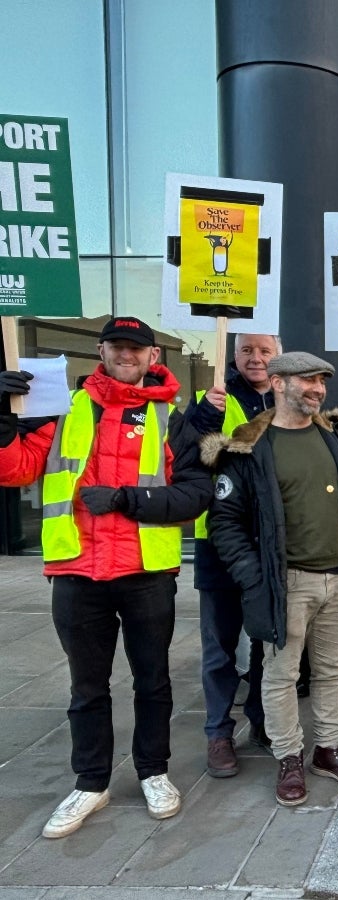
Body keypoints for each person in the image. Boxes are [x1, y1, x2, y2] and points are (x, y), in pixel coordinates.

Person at [0, 316, 212, 838]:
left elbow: (194, 494)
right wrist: (3, 425)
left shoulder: (172, 418)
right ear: (101, 351)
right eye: (118, 346)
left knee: (153, 680)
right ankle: (90, 783)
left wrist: (127, 500)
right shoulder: (63, 408)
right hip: (76, 570)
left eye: (137, 349)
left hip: (146, 572)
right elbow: (16, 470)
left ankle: (153, 771)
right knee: (86, 687)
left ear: (152, 358)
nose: (128, 355)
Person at [206, 351, 338, 806]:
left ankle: (328, 750)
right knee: (280, 675)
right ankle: (289, 755)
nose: (316, 389)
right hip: (284, 582)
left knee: (333, 673)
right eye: (306, 381)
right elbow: (224, 522)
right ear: (278, 383)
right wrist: (255, 577)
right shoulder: (249, 446)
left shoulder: (335, 437)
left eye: (321, 382)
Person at [185, 333, 280, 777]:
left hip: (270, 545)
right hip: (220, 543)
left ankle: (262, 722)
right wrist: (205, 416)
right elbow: (185, 457)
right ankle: (218, 732)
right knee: (220, 648)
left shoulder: (290, 397)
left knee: (266, 645)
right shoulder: (215, 399)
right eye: (247, 350)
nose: (256, 358)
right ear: (234, 354)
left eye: (264, 351)